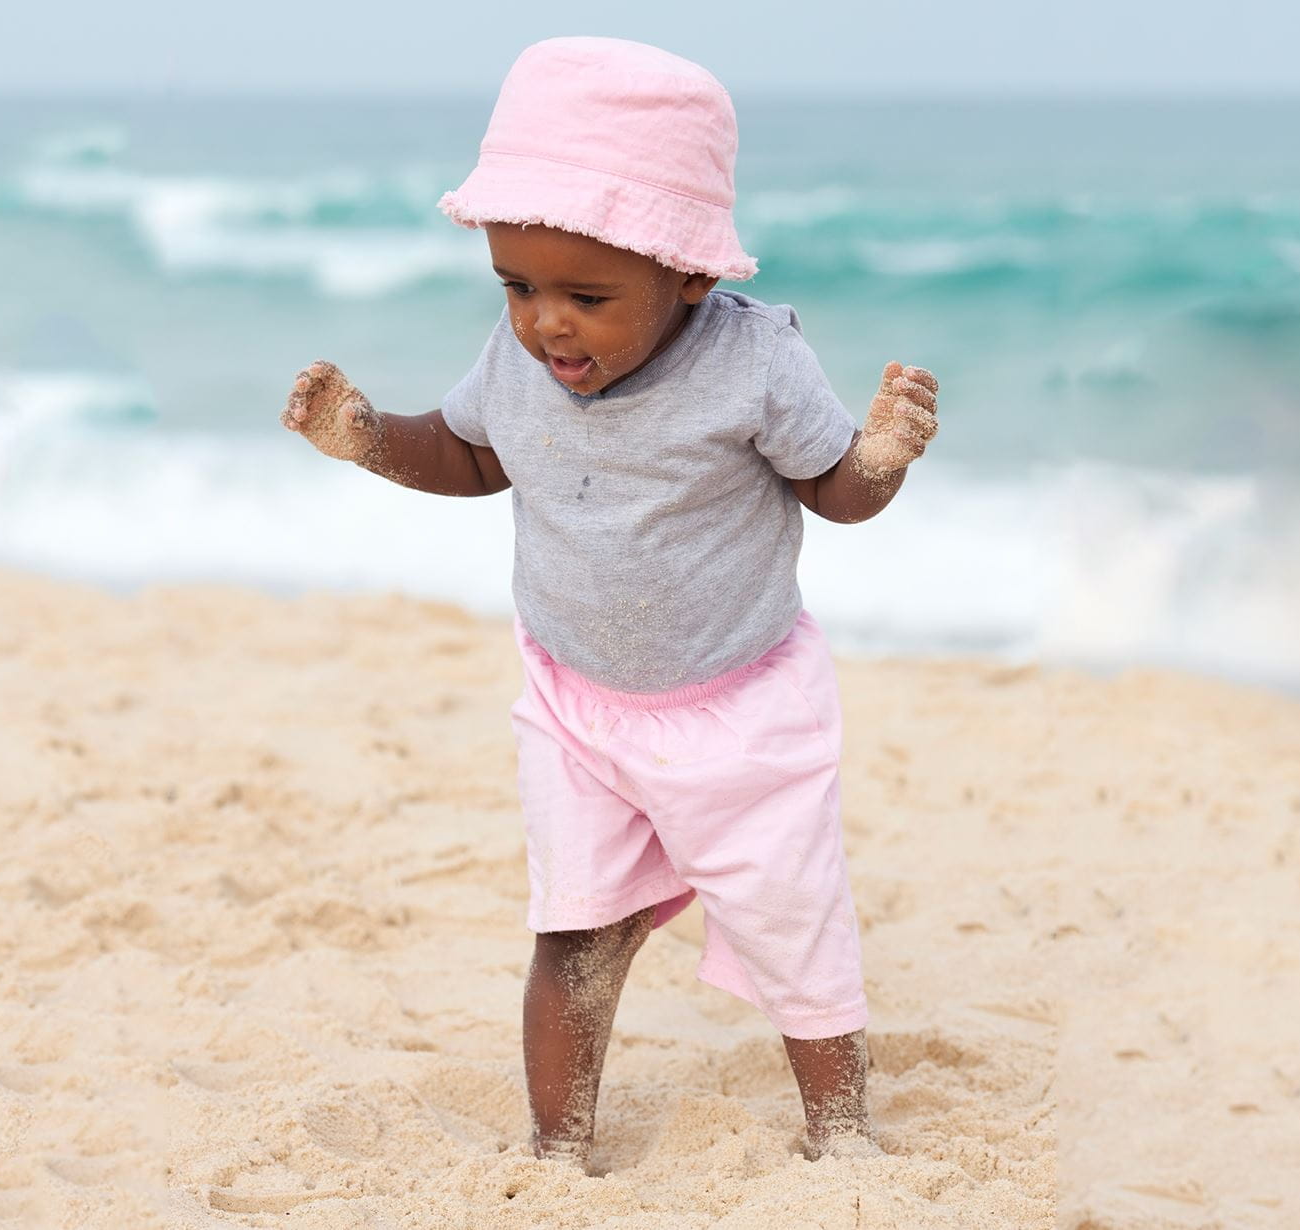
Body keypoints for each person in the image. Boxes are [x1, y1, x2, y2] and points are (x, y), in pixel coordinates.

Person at [280, 36, 939, 1166]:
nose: (546, 325)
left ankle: (841, 1134)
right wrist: (372, 438)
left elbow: (832, 495)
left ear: (690, 273)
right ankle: (554, 1148)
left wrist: (879, 455)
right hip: (575, 702)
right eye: (517, 287)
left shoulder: (753, 364)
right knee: (572, 932)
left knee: (793, 927)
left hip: (740, 712)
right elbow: (475, 458)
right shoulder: (518, 359)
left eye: (585, 296)